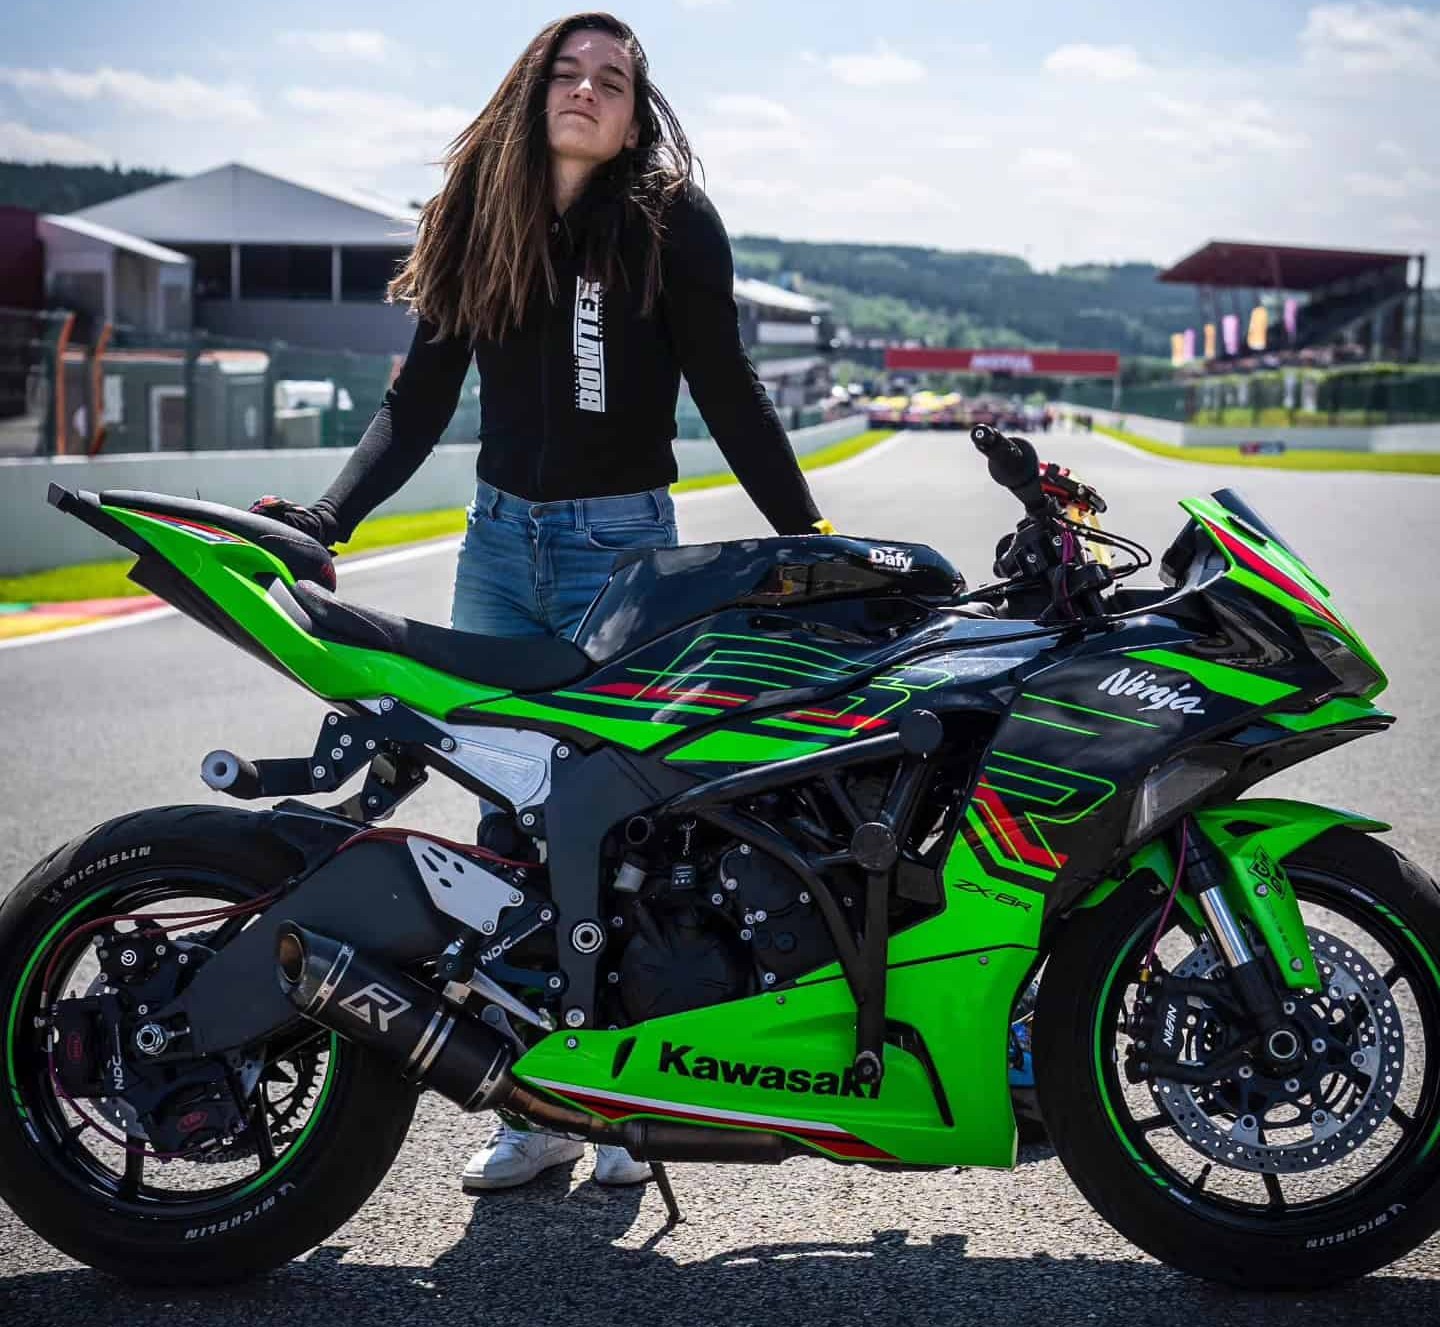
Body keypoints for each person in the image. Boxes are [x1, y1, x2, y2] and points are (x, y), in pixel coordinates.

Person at [250, 12, 831, 1192]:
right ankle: (535, 1105)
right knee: (506, 817)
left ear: (634, 114)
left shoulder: (672, 226)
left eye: (612, 80)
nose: (586, 90)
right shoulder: (480, 215)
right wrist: (327, 520)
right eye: (568, 71)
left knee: (617, 825)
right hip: (500, 541)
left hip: (625, 553)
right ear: (533, 88)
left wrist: (812, 538)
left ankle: (623, 1096)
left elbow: (728, 391)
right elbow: (415, 404)